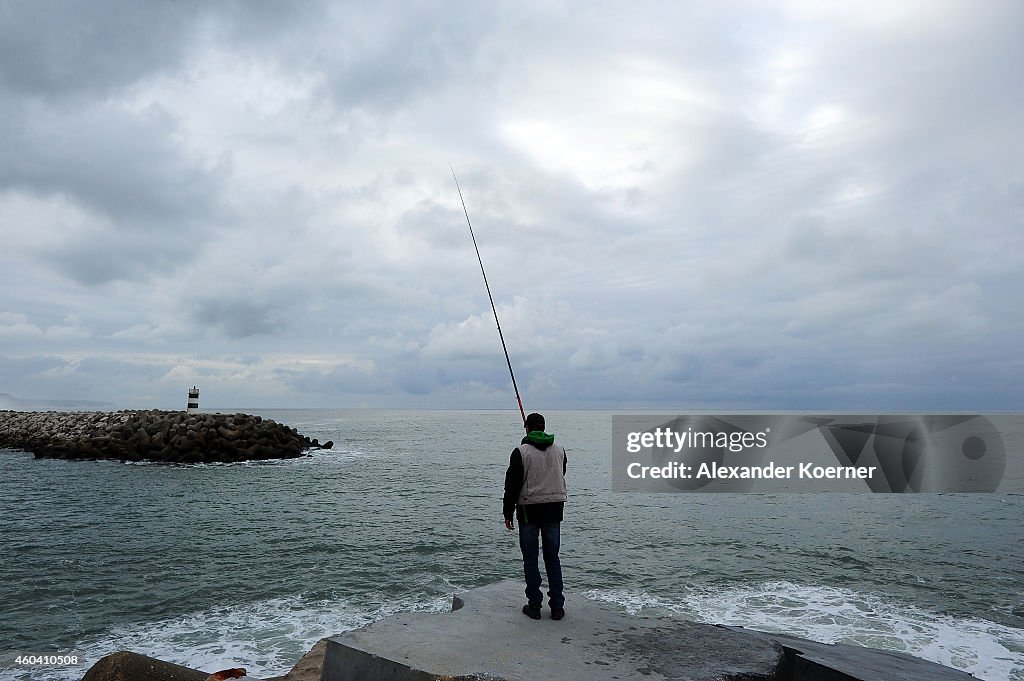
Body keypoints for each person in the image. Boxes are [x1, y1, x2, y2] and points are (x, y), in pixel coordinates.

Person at [503, 412, 568, 620]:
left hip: (529, 510)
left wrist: (508, 512)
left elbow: (512, 485)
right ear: (544, 427)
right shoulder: (560, 450)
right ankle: (557, 606)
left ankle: (535, 604)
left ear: (527, 428)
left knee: (531, 558)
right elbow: (561, 472)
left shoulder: (520, 452)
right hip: (554, 509)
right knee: (552, 557)